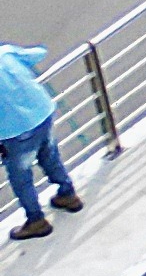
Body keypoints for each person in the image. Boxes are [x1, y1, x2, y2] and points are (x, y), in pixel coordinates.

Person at [0, 42, 84, 238]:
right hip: (42, 113)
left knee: (21, 178)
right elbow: (38, 53)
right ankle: (67, 194)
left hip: (14, 132)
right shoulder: (5, 53)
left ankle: (36, 220)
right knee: (50, 156)